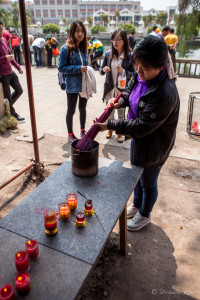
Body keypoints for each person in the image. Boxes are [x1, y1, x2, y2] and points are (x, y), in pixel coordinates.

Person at [95, 36, 180, 231]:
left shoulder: (164, 93)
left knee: (148, 181)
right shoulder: (141, 74)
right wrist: (120, 101)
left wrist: (110, 124)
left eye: (145, 69)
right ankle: (137, 204)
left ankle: (145, 214)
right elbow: (129, 91)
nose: (139, 73)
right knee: (137, 175)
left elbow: (141, 125)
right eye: (137, 67)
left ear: (161, 67)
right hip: (140, 138)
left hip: (155, 143)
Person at [99, 29, 135, 143]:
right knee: (109, 110)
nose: (116, 42)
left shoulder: (129, 55)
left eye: (118, 39)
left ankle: (119, 132)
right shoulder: (108, 53)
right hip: (110, 87)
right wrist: (104, 69)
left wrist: (123, 71)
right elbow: (101, 70)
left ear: (124, 41)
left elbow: (134, 74)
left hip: (122, 89)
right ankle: (109, 128)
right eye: (114, 39)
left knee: (121, 111)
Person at [58, 20, 88, 143]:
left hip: (84, 84)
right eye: (77, 31)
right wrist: (78, 69)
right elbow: (61, 67)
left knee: (83, 108)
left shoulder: (84, 47)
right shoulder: (66, 48)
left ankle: (83, 130)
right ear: (72, 32)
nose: (80, 34)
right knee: (71, 110)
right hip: (72, 85)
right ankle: (70, 134)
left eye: (82, 31)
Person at [0, 20, 24, 121]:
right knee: (8, 96)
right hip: (2, 74)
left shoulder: (4, 40)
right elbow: (7, 57)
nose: (1, 32)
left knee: (19, 90)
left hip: (10, 72)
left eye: (1, 29)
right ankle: (12, 112)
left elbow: (11, 57)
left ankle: (7, 108)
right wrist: (5, 57)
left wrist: (18, 67)